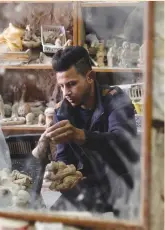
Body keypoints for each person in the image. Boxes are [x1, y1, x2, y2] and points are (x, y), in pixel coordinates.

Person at [43, 46, 139, 214]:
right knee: (50, 217)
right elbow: (64, 155)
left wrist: (81, 135)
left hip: (120, 182)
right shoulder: (62, 111)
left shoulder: (116, 99)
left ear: (90, 77)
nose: (66, 92)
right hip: (87, 184)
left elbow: (123, 141)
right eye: (62, 86)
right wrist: (62, 173)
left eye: (71, 84)